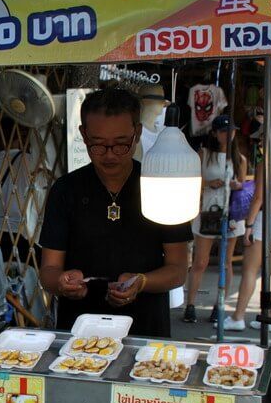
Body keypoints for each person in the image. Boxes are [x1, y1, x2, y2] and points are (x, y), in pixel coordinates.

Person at [39, 86, 191, 337]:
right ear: (84, 135)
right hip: (79, 331)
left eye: (121, 144)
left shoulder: (162, 186)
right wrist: (62, 281)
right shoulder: (66, 190)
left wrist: (141, 282)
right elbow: (48, 271)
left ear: (138, 133)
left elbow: (177, 269)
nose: (109, 155)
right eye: (97, 145)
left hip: (145, 330)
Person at [222, 120, 271, 332]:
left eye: (261, 139)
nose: (259, 143)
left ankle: (238, 317)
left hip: (266, 219)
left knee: (250, 270)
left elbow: (258, 198)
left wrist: (248, 225)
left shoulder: (266, 163)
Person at [183, 115, 246, 323]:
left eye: (231, 131)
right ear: (215, 133)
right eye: (223, 131)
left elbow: (242, 187)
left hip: (231, 213)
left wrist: (236, 185)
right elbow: (192, 182)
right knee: (200, 261)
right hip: (208, 210)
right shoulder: (204, 153)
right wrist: (209, 183)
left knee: (225, 262)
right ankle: (190, 305)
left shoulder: (239, 158)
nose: (228, 135)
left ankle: (219, 305)